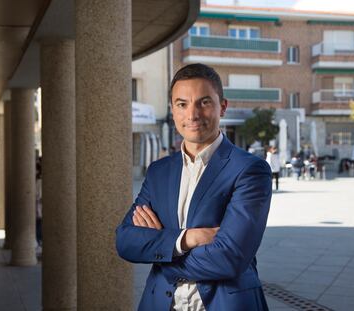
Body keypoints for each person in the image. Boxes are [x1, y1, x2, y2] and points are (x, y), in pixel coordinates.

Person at [116, 63, 272, 311]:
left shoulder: (250, 169)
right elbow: (125, 241)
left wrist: (160, 249)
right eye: (182, 104)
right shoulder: (159, 172)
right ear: (172, 109)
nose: (192, 115)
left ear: (222, 106)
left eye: (204, 102)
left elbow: (229, 258)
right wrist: (187, 238)